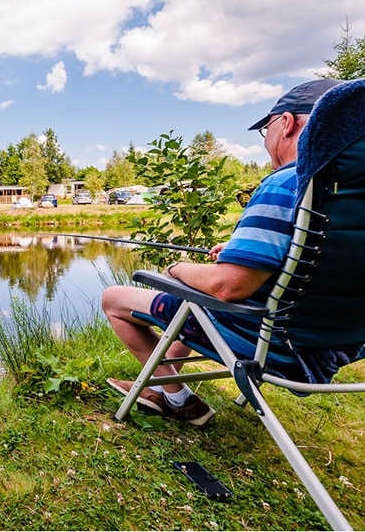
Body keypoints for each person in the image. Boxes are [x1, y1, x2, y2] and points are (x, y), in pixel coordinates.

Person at [102, 78, 343, 426]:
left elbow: (230, 287)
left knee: (114, 298)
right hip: (332, 345)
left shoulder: (289, 182)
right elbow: (317, 259)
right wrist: (241, 252)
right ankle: (162, 388)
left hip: (271, 342)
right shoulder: (346, 191)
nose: (266, 142)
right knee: (191, 302)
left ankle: (177, 397)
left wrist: (178, 269)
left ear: (287, 123)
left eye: (267, 130)